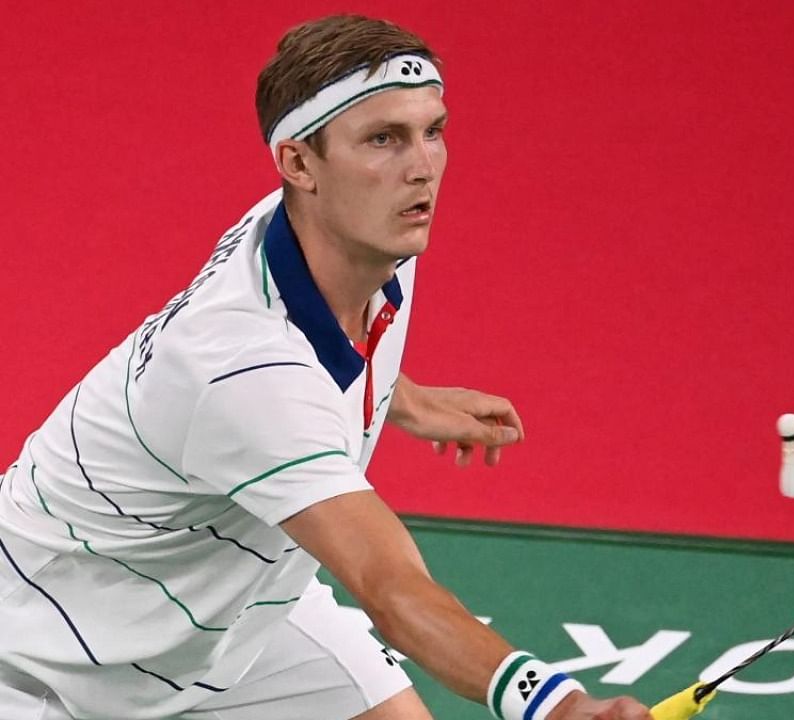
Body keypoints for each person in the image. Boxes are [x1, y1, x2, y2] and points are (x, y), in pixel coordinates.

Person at [0, 14, 653, 720]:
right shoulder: (243, 371)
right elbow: (389, 585)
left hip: (233, 620)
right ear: (299, 164)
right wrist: (555, 705)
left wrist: (400, 397)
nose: (421, 166)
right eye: (383, 139)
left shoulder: (361, 237)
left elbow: (318, 359)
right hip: (50, 662)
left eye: (431, 130)